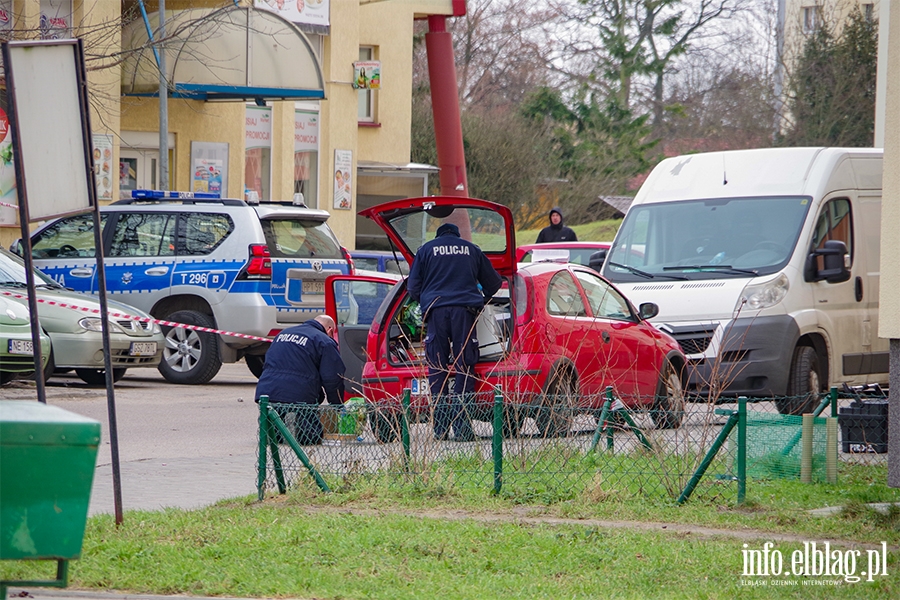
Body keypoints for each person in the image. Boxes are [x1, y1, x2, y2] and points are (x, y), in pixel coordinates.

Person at [407, 222, 503, 441]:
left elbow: (412, 288)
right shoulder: (471, 249)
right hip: (464, 312)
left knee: (437, 368)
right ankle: (462, 428)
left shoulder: (425, 251)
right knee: (464, 366)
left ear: (439, 235)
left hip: (436, 313)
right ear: (457, 235)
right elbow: (494, 283)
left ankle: (440, 430)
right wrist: (481, 297)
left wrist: (427, 299)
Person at [255, 314, 346, 445]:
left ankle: (272, 435)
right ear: (330, 330)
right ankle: (304, 438)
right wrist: (337, 404)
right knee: (310, 437)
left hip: (268, 391)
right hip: (300, 395)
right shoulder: (324, 341)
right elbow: (333, 377)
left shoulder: (283, 334)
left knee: (272, 436)